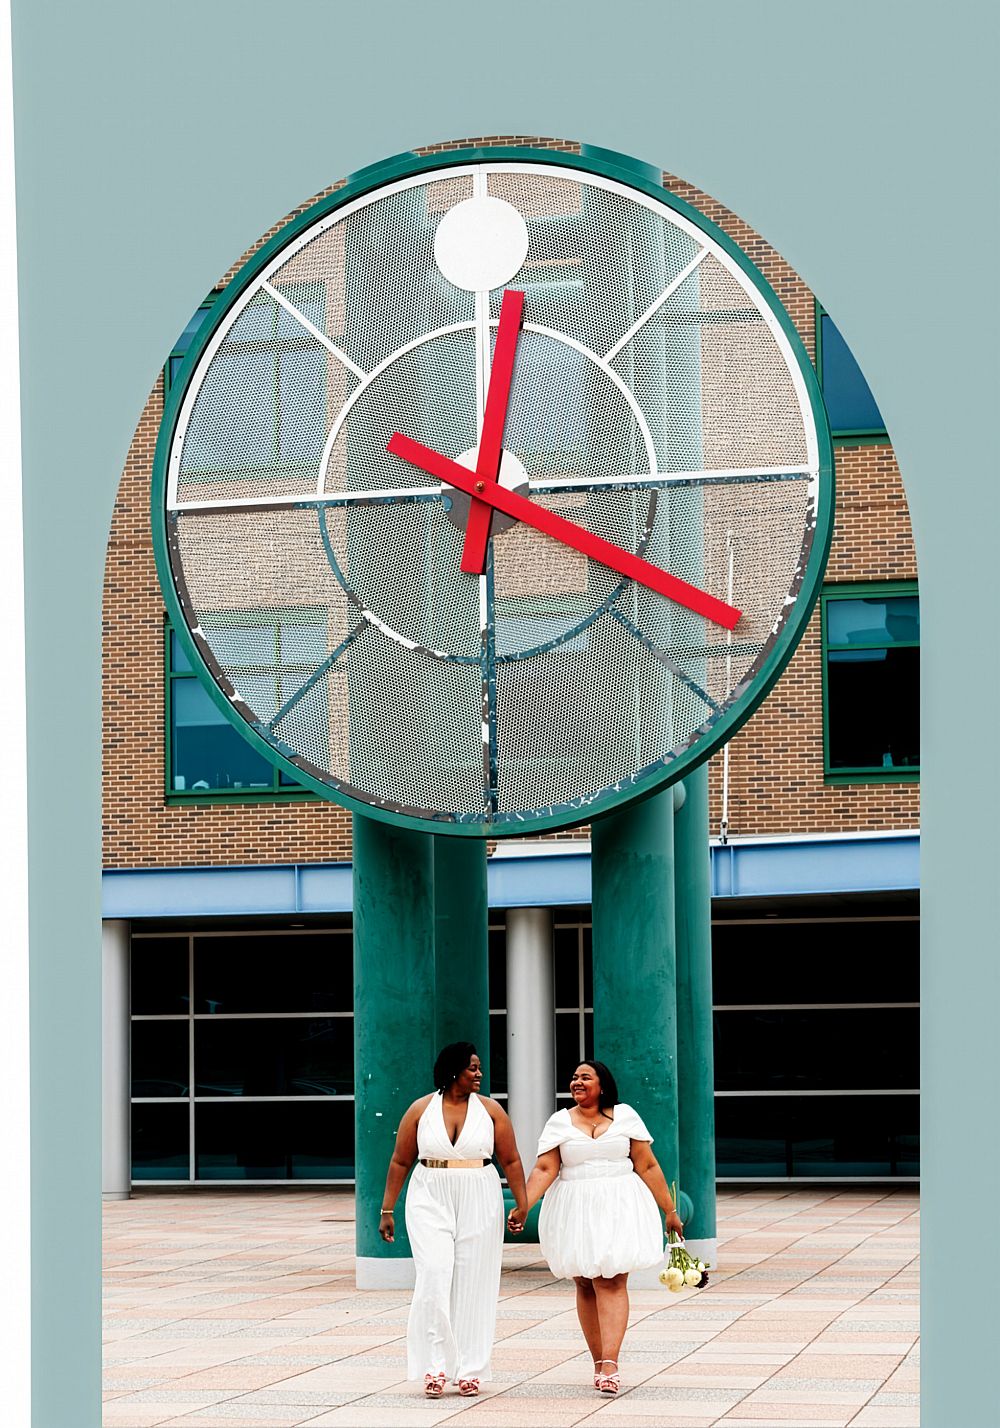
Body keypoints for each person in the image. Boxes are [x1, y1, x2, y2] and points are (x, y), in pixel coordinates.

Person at [507, 1060, 684, 1397]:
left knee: (612, 1279)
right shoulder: (559, 1122)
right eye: (574, 1077)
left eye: (585, 1077)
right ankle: (596, 1361)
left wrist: (670, 1210)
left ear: (603, 1085)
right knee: (585, 1281)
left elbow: (647, 1164)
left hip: (619, 1203)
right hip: (575, 1205)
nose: (577, 1082)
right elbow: (545, 1168)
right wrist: (523, 1205)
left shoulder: (626, 1116)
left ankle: (611, 1363)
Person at [379, 1041, 528, 1400]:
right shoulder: (420, 1109)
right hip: (429, 1192)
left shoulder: (492, 1111)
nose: (479, 1074)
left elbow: (511, 1161)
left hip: (479, 1193)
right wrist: (387, 1209)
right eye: (472, 1068)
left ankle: (470, 1368)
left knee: (474, 1280)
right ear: (453, 1070)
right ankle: (434, 1365)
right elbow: (401, 1161)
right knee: (433, 1275)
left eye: (479, 1068)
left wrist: (523, 1205)